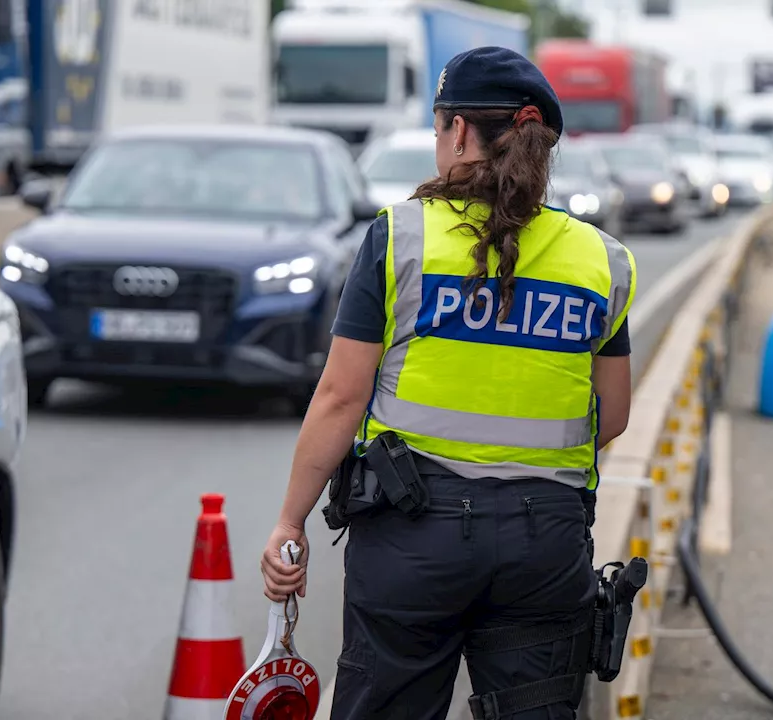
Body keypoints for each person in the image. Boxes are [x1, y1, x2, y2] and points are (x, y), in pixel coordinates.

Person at [260, 45, 637, 720]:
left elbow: (342, 397)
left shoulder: (401, 237)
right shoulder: (601, 261)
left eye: (440, 126)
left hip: (413, 537)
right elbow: (610, 416)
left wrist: (291, 521)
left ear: (459, 131)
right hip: (545, 548)